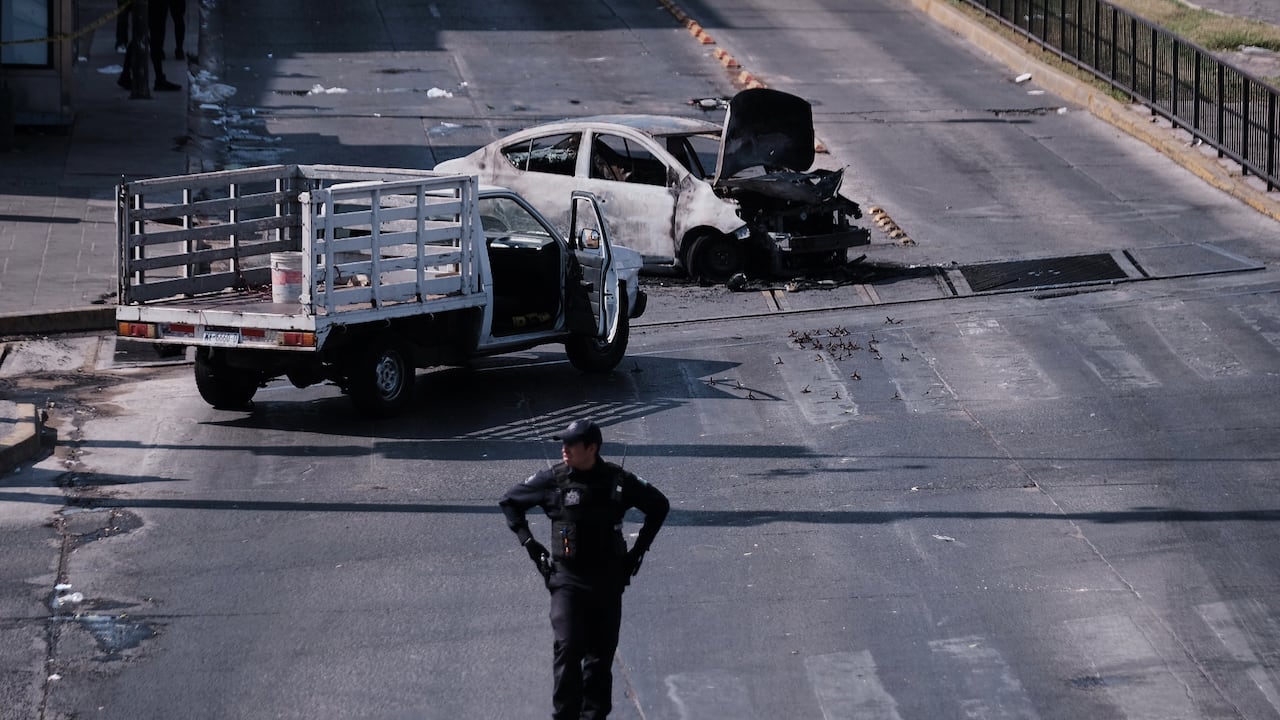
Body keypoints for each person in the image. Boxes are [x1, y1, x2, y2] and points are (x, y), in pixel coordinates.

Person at [500, 419, 669, 720]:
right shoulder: (553, 480)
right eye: (563, 444)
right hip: (568, 580)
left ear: (592, 448)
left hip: (607, 580)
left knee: (599, 658)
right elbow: (510, 501)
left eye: (571, 444)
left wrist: (638, 552)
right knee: (568, 647)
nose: (564, 449)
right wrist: (529, 542)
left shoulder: (617, 481)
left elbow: (659, 506)